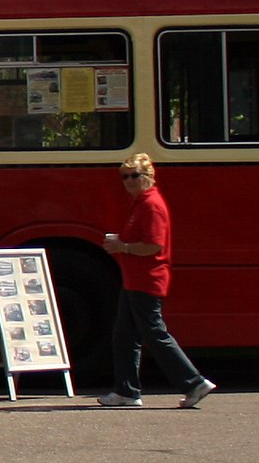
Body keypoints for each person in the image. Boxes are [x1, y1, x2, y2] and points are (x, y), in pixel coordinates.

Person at [99, 152, 216, 408]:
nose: (128, 181)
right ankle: (126, 391)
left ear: (148, 176)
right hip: (135, 280)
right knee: (124, 336)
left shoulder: (151, 205)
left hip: (147, 279)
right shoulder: (141, 203)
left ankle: (194, 382)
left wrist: (123, 246)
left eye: (134, 175)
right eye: (124, 176)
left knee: (154, 334)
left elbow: (153, 245)